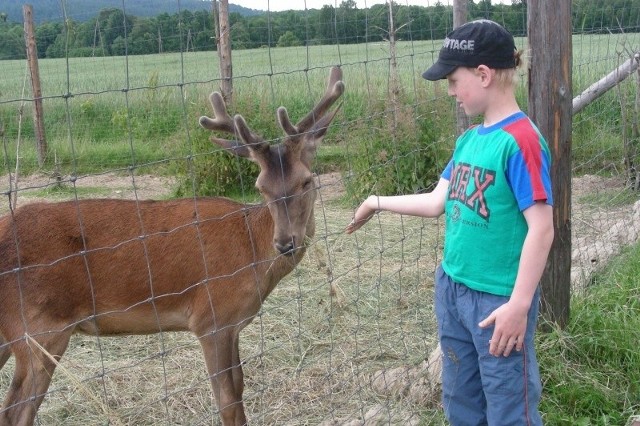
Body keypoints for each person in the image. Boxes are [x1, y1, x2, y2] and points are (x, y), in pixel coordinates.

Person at [345, 19, 554, 425]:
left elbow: (542, 228)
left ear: (483, 74)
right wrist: (375, 201)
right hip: (454, 291)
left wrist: (520, 304)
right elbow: (436, 201)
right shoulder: (469, 141)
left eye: (454, 81)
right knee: (460, 401)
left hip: (499, 303)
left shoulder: (521, 142)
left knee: (509, 406)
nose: (451, 91)